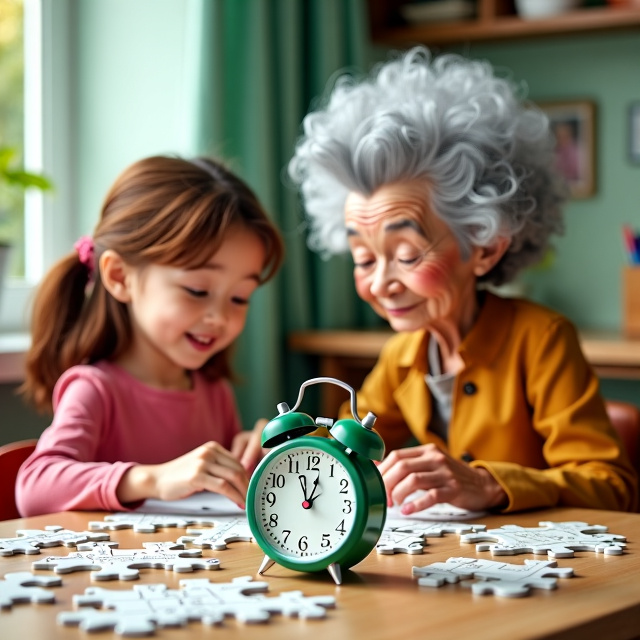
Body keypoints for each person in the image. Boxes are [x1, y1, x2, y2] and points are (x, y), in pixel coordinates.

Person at [288, 47, 638, 514]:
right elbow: (345, 451)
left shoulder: (542, 341)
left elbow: (613, 487)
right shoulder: (403, 355)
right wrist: (290, 447)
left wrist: (489, 484)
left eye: (407, 255)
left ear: (486, 247)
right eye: (364, 259)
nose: (383, 283)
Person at [17, 155, 284, 516]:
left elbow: (222, 501)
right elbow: (34, 486)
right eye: (197, 290)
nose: (220, 317)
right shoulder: (95, 389)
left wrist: (260, 462)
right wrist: (154, 479)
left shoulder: (214, 393)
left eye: (239, 298)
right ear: (120, 277)